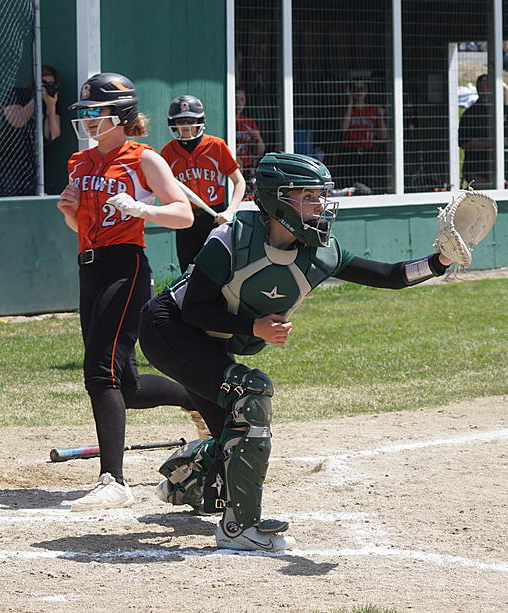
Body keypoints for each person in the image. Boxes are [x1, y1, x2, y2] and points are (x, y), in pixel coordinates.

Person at [138, 152, 456, 552]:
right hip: (169, 328)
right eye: (308, 196)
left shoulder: (322, 251)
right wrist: (253, 327)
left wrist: (440, 261)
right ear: (276, 201)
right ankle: (241, 530)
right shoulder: (230, 240)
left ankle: (184, 475)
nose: (320, 205)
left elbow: (391, 277)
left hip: (211, 339)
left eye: (321, 196)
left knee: (230, 434)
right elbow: (195, 309)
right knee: (251, 391)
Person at [56, 72, 199, 511]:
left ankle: (113, 481)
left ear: (120, 114)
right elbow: (81, 227)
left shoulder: (142, 158)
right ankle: (196, 396)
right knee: (127, 385)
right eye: (85, 112)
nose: (87, 120)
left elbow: (184, 214)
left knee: (101, 372)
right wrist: (70, 212)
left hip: (126, 265)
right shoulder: (80, 162)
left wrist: (143, 208)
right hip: (91, 267)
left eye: (96, 112)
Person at [160, 94, 246, 272]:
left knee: (218, 270)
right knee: (189, 272)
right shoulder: (168, 152)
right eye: (180, 121)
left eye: (190, 121)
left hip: (214, 216)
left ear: (200, 120)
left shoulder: (216, 146)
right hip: (186, 220)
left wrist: (230, 211)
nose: (185, 126)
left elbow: (239, 182)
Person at [0, 65, 62, 197]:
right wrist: (36, 99)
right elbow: (17, 121)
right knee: (9, 200)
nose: (46, 86)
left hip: (32, 166)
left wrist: (51, 106)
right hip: (8, 162)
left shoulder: (52, 102)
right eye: (43, 83)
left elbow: (52, 134)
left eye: (51, 84)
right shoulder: (17, 94)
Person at [458, 74, 508, 189]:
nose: (484, 92)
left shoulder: (505, 111)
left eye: (488, 88)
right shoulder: (470, 114)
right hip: (478, 170)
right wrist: (494, 143)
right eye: (481, 88)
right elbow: (464, 143)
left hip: (505, 170)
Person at [336, 80, 387, 191]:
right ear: (350, 92)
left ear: (366, 91)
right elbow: (343, 128)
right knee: (348, 185)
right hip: (349, 151)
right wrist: (350, 103)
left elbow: (383, 136)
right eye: (355, 89)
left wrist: (381, 117)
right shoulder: (347, 110)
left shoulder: (373, 109)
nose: (359, 93)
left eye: (361, 89)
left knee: (367, 186)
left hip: (367, 152)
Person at [234, 89, 265, 188]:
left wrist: (258, 138)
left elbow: (260, 152)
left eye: (242, 100)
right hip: (231, 166)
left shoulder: (249, 123)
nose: (238, 103)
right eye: (235, 98)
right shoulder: (227, 121)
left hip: (247, 167)